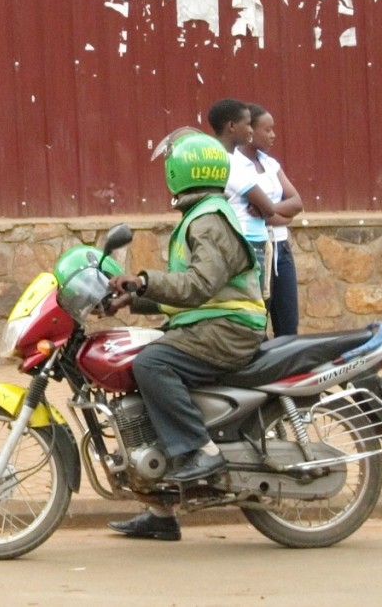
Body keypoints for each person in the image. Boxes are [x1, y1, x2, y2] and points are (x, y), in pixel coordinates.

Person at [104, 129, 267, 541]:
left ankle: (199, 450)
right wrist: (134, 299)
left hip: (229, 330)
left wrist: (142, 281)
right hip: (210, 324)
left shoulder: (209, 220)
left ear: (181, 171)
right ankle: (160, 511)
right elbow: (186, 296)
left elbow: (198, 287)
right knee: (138, 378)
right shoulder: (203, 216)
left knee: (152, 363)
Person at [242, 104, 303, 336]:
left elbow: (296, 202)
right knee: (257, 322)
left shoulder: (270, 163)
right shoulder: (235, 165)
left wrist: (269, 212)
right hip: (254, 251)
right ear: (250, 131)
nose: (273, 135)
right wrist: (280, 216)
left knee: (288, 323)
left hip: (281, 250)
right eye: (267, 130)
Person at [208, 98, 276, 297]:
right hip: (250, 245)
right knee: (256, 310)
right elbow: (270, 208)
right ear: (231, 126)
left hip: (230, 242)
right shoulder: (231, 163)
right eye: (247, 124)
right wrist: (263, 208)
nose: (251, 130)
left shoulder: (212, 156)